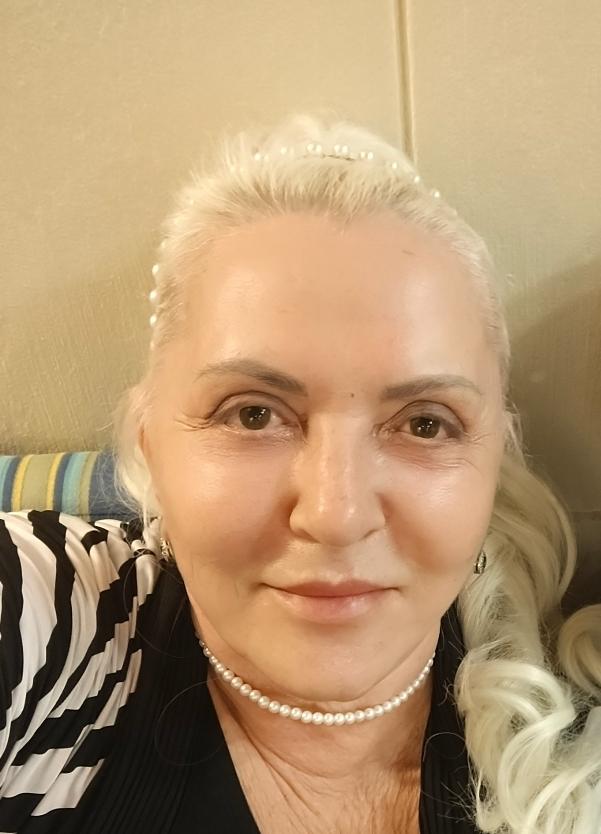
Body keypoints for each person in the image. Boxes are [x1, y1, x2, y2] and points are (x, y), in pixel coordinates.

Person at [0, 114, 599, 834]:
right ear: (151, 445)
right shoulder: (49, 614)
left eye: (423, 423)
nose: (336, 516)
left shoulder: (571, 739)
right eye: (253, 414)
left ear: (491, 465)